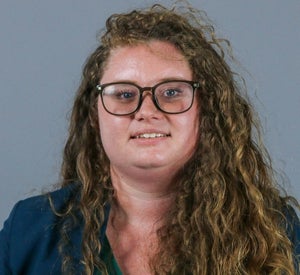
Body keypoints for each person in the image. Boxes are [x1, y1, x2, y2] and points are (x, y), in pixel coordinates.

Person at [0, 2, 299, 275]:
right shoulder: (29, 230)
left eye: (171, 92)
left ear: (206, 110)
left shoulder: (275, 231)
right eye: (124, 94)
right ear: (94, 116)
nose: (146, 111)